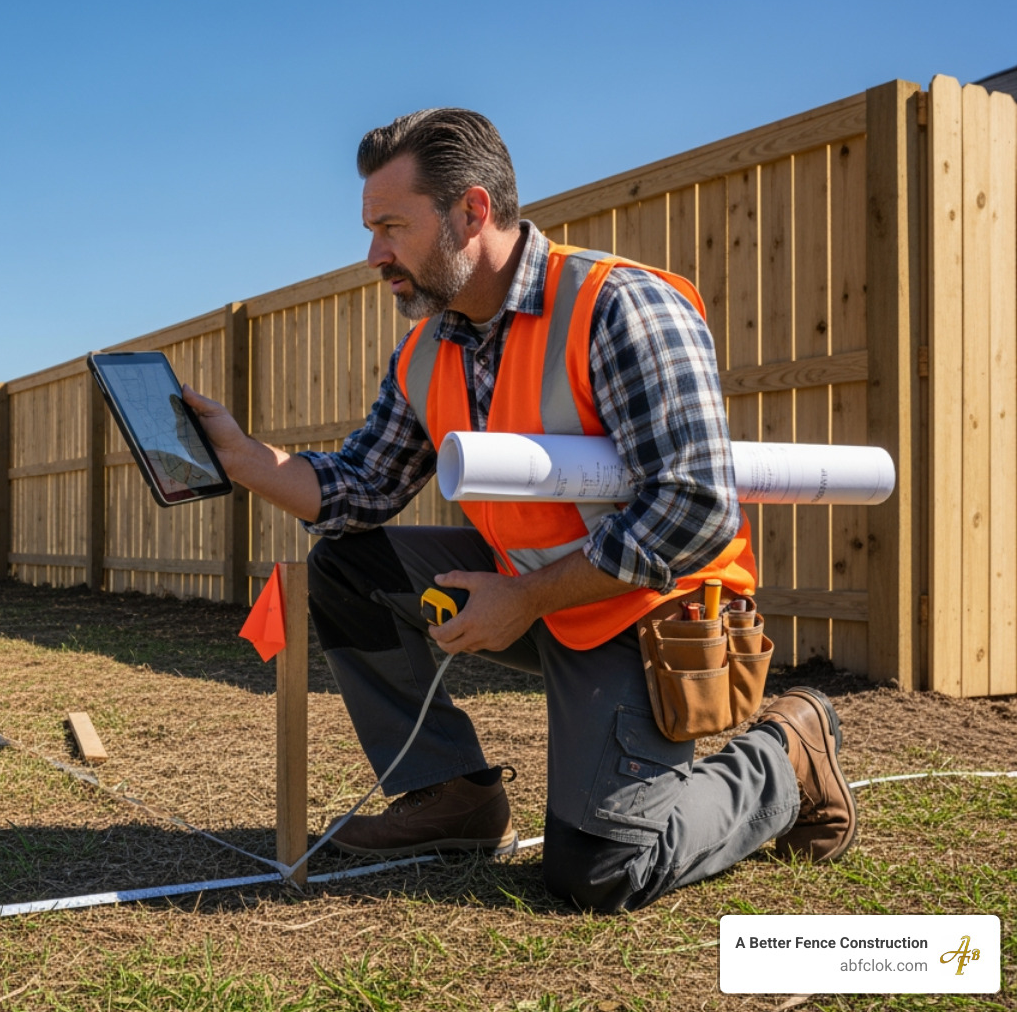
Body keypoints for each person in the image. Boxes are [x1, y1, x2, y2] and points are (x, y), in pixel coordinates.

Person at [182, 108, 856, 912]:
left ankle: (787, 755)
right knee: (347, 566)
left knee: (602, 870)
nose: (374, 255)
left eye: (392, 227)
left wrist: (525, 599)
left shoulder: (619, 306)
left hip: (650, 614)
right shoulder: (427, 349)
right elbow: (361, 487)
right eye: (371, 230)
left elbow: (695, 506)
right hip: (534, 595)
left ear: (472, 211)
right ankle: (452, 795)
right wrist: (243, 459)